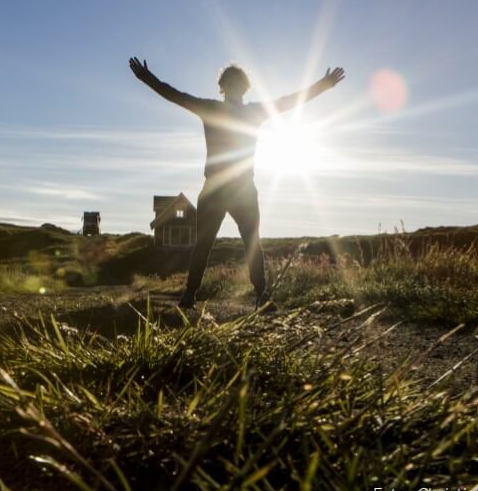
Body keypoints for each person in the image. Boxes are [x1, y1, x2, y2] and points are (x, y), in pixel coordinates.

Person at [129, 57, 345, 308]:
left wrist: (324, 85)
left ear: (244, 87)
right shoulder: (209, 108)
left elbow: (288, 101)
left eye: (238, 82)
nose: (234, 86)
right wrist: (147, 78)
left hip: (243, 188)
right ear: (222, 86)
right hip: (214, 189)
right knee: (203, 244)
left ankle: (262, 295)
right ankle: (189, 294)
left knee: (252, 241)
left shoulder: (255, 112)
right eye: (229, 82)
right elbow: (175, 95)